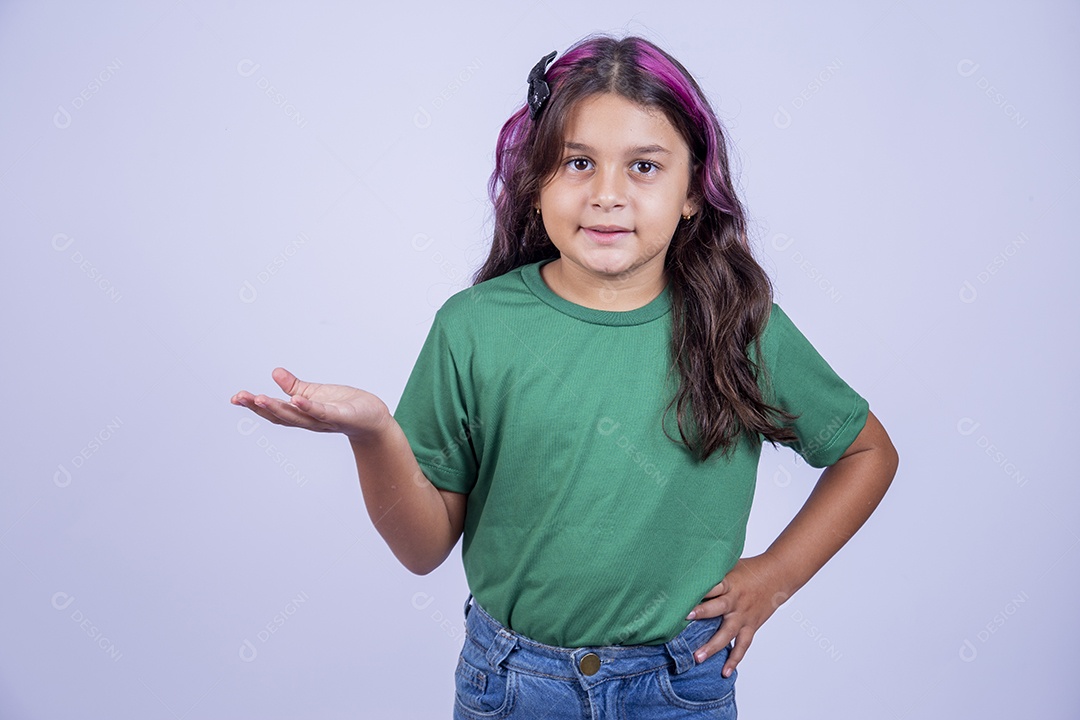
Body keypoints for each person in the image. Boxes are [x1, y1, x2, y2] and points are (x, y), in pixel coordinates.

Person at [231, 32, 898, 719]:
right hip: (512, 686)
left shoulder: (738, 326)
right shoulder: (475, 327)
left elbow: (868, 451)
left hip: (680, 686)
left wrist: (775, 577)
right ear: (538, 180)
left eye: (644, 167)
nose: (607, 195)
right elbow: (423, 547)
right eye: (579, 162)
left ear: (694, 190)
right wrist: (372, 432)